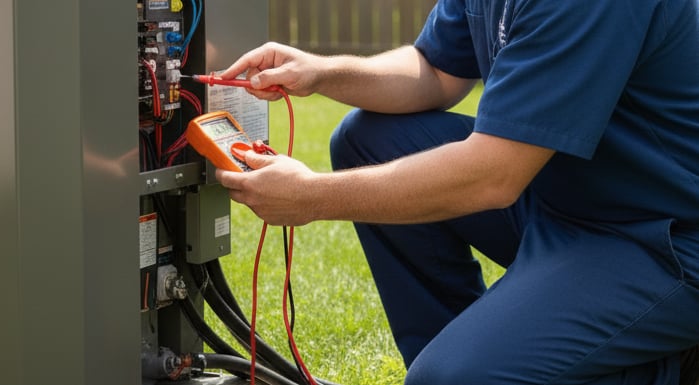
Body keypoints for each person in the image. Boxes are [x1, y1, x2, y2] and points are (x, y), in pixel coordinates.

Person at [215, 0, 699, 383]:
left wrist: (314, 196)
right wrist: (322, 73)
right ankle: (481, 347)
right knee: (367, 140)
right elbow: (435, 71)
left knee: (450, 380)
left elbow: (493, 174)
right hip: (565, 195)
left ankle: (671, 364)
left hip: (658, 238)